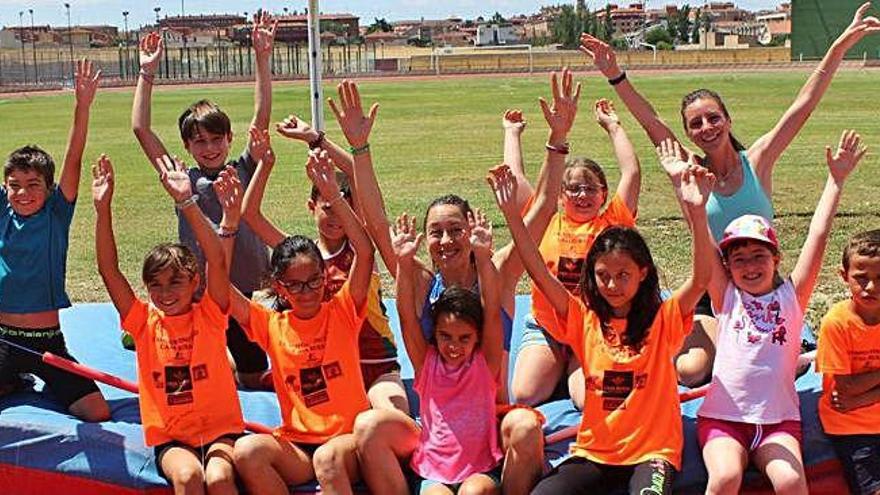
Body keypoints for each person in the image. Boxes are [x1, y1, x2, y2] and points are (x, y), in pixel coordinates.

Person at [579, 2, 880, 386]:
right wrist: (615, 75)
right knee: (690, 372)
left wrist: (838, 45)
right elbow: (650, 120)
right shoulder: (688, 169)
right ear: (688, 133)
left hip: (763, 285)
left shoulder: (758, 160)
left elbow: (803, 104)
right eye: (696, 123)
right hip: (715, 292)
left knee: (759, 357)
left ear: (727, 120)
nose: (706, 127)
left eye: (713, 117)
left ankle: (785, 350)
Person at [345, 71, 582, 494]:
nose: (446, 240)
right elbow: (377, 224)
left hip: (491, 421)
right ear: (425, 238)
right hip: (439, 430)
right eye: (435, 232)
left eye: (455, 229)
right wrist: (359, 149)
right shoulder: (418, 280)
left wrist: (558, 137)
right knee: (368, 427)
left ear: (469, 230)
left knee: (526, 427)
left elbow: (544, 207)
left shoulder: (498, 269)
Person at [490, 154, 715, 494]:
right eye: (603, 276)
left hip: (652, 453)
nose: (612, 285)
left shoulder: (663, 319)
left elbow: (700, 280)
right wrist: (512, 217)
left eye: (623, 275)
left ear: (642, 273)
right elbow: (535, 267)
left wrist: (698, 213)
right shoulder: (584, 318)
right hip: (597, 452)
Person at [694, 130, 866, 495]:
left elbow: (817, 237)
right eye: (738, 259)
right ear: (727, 266)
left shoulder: (792, 296)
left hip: (778, 424)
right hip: (724, 420)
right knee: (724, 478)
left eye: (759, 256)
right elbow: (705, 246)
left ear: (776, 259)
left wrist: (835, 182)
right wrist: (694, 203)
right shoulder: (726, 297)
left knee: (790, 479)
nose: (750, 265)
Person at [131, 13, 277, 390]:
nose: (209, 148)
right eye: (200, 141)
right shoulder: (183, 178)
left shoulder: (242, 168)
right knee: (216, 374)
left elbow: (261, 116)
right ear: (187, 146)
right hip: (201, 300)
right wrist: (147, 74)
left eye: (216, 139)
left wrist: (262, 58)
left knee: (253, 378)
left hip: (245, 295)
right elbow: (141, 130)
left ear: (229, 138)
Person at [94, 154, 245, 494]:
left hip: (221, 432)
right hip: (173, 439)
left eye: (175, 282)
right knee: (189, 476)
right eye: (156, 285)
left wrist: (186, 201)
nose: (165, 292)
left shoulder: (210, 312)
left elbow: (217, 259)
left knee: (219, 477)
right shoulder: (143, 321)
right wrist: (102, 210)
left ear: (194, 282)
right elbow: (108, 270)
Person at [229, 150, 373, 495]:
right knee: (247, 452)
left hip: (345, 443)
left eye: (313, 281)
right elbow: (219, 288)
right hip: (298, 446)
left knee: (327, 459)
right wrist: (226, 223)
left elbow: (365, 251)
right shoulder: (271, 325)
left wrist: (335, 196)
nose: (306, 291)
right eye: (294, 284)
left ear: (324, 278)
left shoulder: (343, 311)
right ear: (280, 286)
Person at [242, 123, 407, 413]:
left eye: (343, 207)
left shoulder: (361, 246)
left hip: (375, 362)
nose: (336, 217)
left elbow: (359, 174)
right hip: (329, 366)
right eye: (327, 207)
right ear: (311, 206)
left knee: (392, 417)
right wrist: (265, 165)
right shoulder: (302, 258)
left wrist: (316, 140)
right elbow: (251, 215)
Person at [510, 98, 641, 410]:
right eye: (574, 189)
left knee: (592, 401)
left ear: (603, 195)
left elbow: (632, 172)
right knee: (526, 394)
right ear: (560, 194)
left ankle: (572, 370)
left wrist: (614, 127)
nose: (583, 195)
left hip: (594, 331)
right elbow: (514, 181)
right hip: (548, 328)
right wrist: (511, 134)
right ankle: (555, 364)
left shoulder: (612, 224)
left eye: (591, 188)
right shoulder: (546, 222)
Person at [0, 60, 110, 422]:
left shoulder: (56, 214)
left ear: (49, 190)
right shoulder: (3, 211)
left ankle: (19, 380)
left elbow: (74, 158)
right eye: (14, 185)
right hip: (4, 341)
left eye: (33, 185)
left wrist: (82, 106)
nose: (23, 193)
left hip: (48, 342)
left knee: (96, 411)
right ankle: (12, 380)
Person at [392, 208, 505, 495]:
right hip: (433, 470)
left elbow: (492, 311)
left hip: (480, 467)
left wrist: (482, 255)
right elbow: (406, 316)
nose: (454, 346)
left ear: (477, 337)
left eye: (464, 338)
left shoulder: (484, 365)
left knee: (474, 493)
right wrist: (403, 264)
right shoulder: (426, 364)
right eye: (445, 336)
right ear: (434, 333)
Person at [816, 228, 880, 495]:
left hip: (857, 408)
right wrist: (857, 396)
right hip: (853, 427)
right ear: (844, 276)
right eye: (861, 278)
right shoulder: (836, 323)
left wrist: (863, 396)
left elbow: (856, 393)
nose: (871, 287)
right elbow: (847, 390)